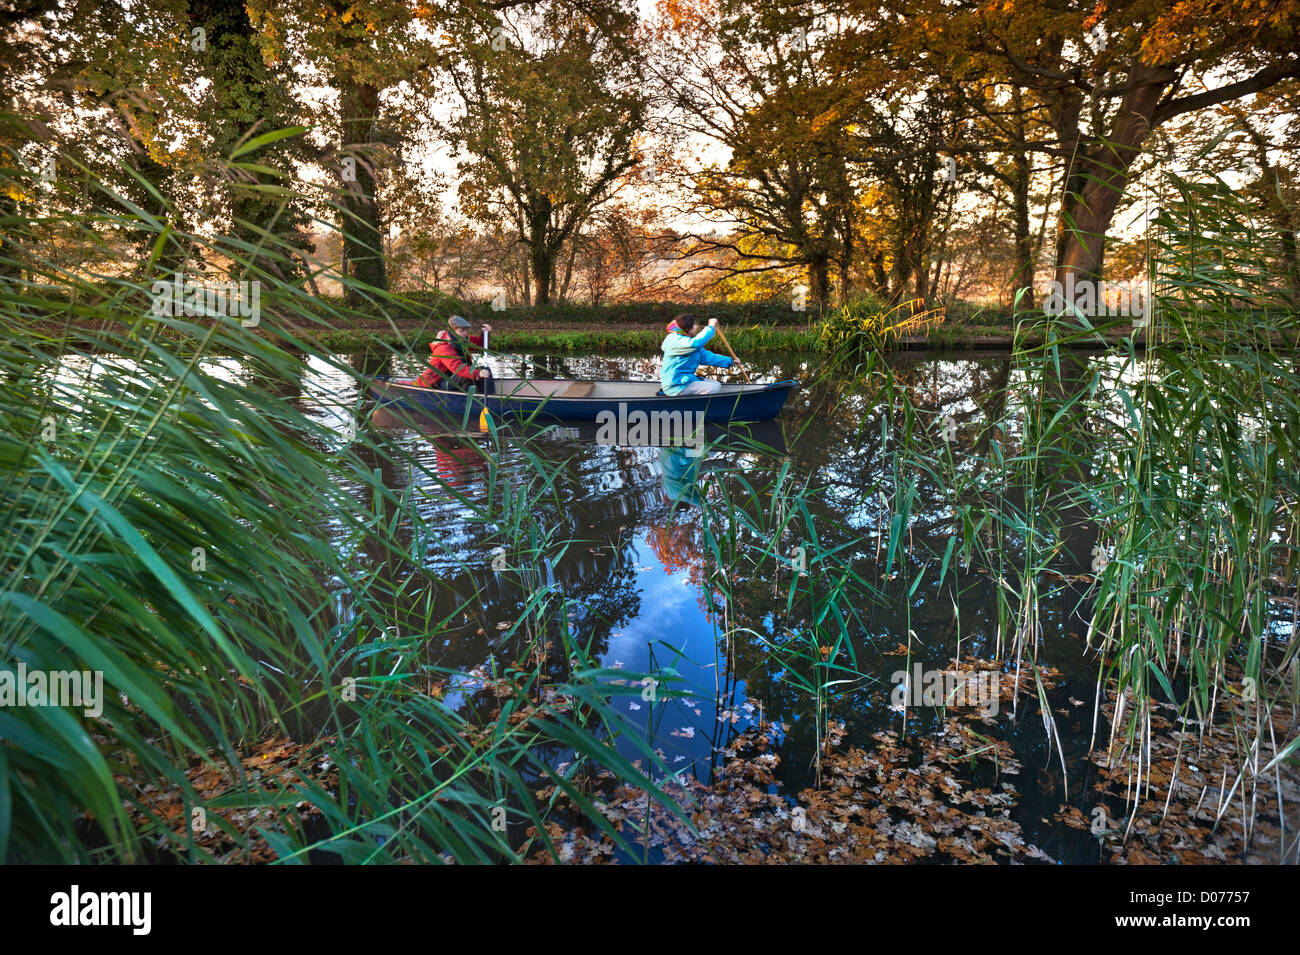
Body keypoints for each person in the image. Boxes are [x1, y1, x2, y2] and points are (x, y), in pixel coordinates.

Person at [659, 313, 735, 396]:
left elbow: (709, 358)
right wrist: (710, 327)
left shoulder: (691, 345)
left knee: (716, 384)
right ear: (687, 327)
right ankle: (688, 402)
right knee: (713, 388)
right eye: (694, 324)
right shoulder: (674, 340)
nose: (696, 327)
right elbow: (695, 343)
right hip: (675, 384)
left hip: (684, 381)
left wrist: (731, 360)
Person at [416, 315, 493, 391]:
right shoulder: (444, 347)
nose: (465, 333)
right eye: (462, 331)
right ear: (452, 331)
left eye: (466, 330)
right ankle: (468, 401)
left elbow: (479, 344)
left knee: (486, 370)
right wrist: (478, 373)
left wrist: (485, 334)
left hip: (452, 379)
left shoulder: (461, 340)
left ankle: (487, 398)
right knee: (466, 376)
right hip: (438, 384)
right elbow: (458, 368)